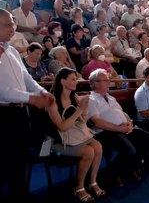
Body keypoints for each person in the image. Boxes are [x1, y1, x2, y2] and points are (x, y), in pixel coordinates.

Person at [0, 7, 54, 202]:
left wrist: (41, 91)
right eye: (7, 25)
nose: (12, 29)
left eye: (13, 25)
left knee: (19, 163)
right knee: (0, 166)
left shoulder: (12, 49)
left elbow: (26, 77)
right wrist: (29, 98)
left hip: (19, 113)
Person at [87, 69, 149, 186]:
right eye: (106, 80)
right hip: (106, 133)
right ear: (96, 83)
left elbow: (122, 112)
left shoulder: (110, 97)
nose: (109, 82)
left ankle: (131, 167)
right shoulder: (91, 100)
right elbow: (97, 122)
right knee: (129, 150)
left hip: (124, 127)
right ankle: (115, 172)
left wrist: (129, 122)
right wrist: (119, 128)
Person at [47, 67, 105, 202]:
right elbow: (61, 127)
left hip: (75, 136)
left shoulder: (75, 97)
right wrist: (79, 110)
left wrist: (84, 109)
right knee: (89, 152)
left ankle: (93, 182)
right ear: (62, 81)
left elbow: (82, 121)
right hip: (57, 141)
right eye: (73, 79)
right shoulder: (52, 101)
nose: (76, 82)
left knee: (98, 146)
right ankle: (79, 188)